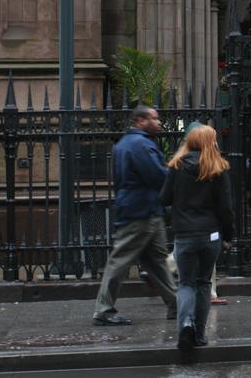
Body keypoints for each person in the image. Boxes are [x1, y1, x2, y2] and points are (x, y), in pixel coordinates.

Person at [92, 105, 177, 325]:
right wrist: (174, 174)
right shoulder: (141, 145)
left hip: (140, 208)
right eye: (154, 119)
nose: (159, 122)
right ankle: (103, 310)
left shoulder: (124, 143)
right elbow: (157, 176)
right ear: (140, 121)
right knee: (120, 259)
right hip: (141, 211)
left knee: (157, 261)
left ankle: (176, 304)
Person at [159, 124, 235, 351]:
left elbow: (164, 199)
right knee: (203, 283)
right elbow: (226, 208)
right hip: (210, 234)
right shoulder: (218, 168)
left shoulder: (177, 166)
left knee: (186, 283)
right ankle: (199, 334)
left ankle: (185, 324)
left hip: (184, 233)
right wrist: (228, 235)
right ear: (212, 142)